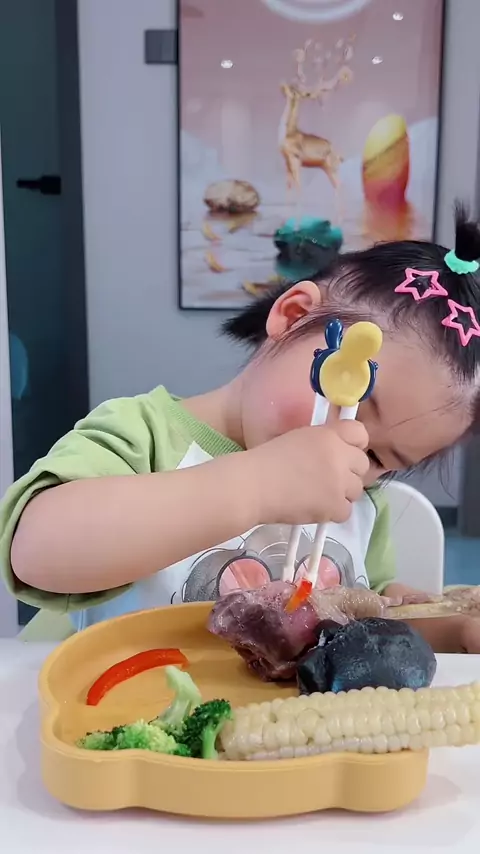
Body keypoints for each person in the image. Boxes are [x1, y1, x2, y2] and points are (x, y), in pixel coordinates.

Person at [1, 204, 480, 651]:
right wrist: (257, 485)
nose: (347, 445)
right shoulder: (144, 434)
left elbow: (368, 611)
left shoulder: (357, 499)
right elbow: (36, 551)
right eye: (347, 400)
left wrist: (455, 629)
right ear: (292, 316)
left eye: (378, 458)